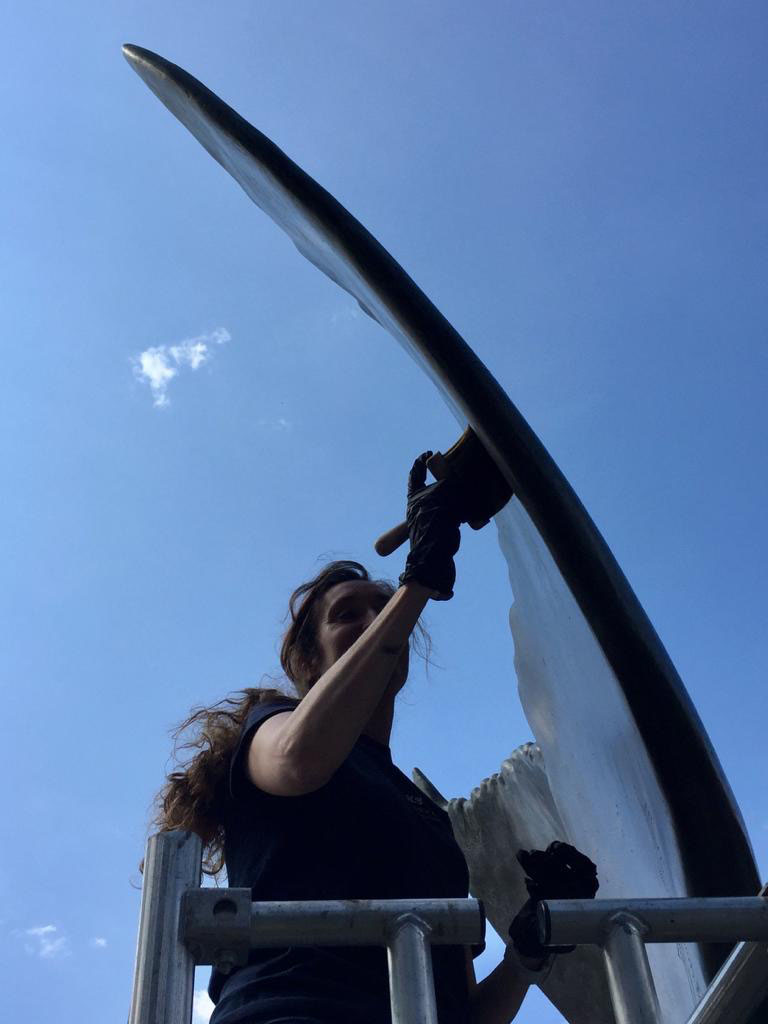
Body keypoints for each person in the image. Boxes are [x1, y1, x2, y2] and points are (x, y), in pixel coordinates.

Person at [148, 454, 596, 1024]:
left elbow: (465, 1015)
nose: (372, 620)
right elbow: (300, 759)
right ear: (308, 659)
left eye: (380, 609)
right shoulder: (271, 731)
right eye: (346, 614)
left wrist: (530, 951)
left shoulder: (430, 822)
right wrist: (417, 583)